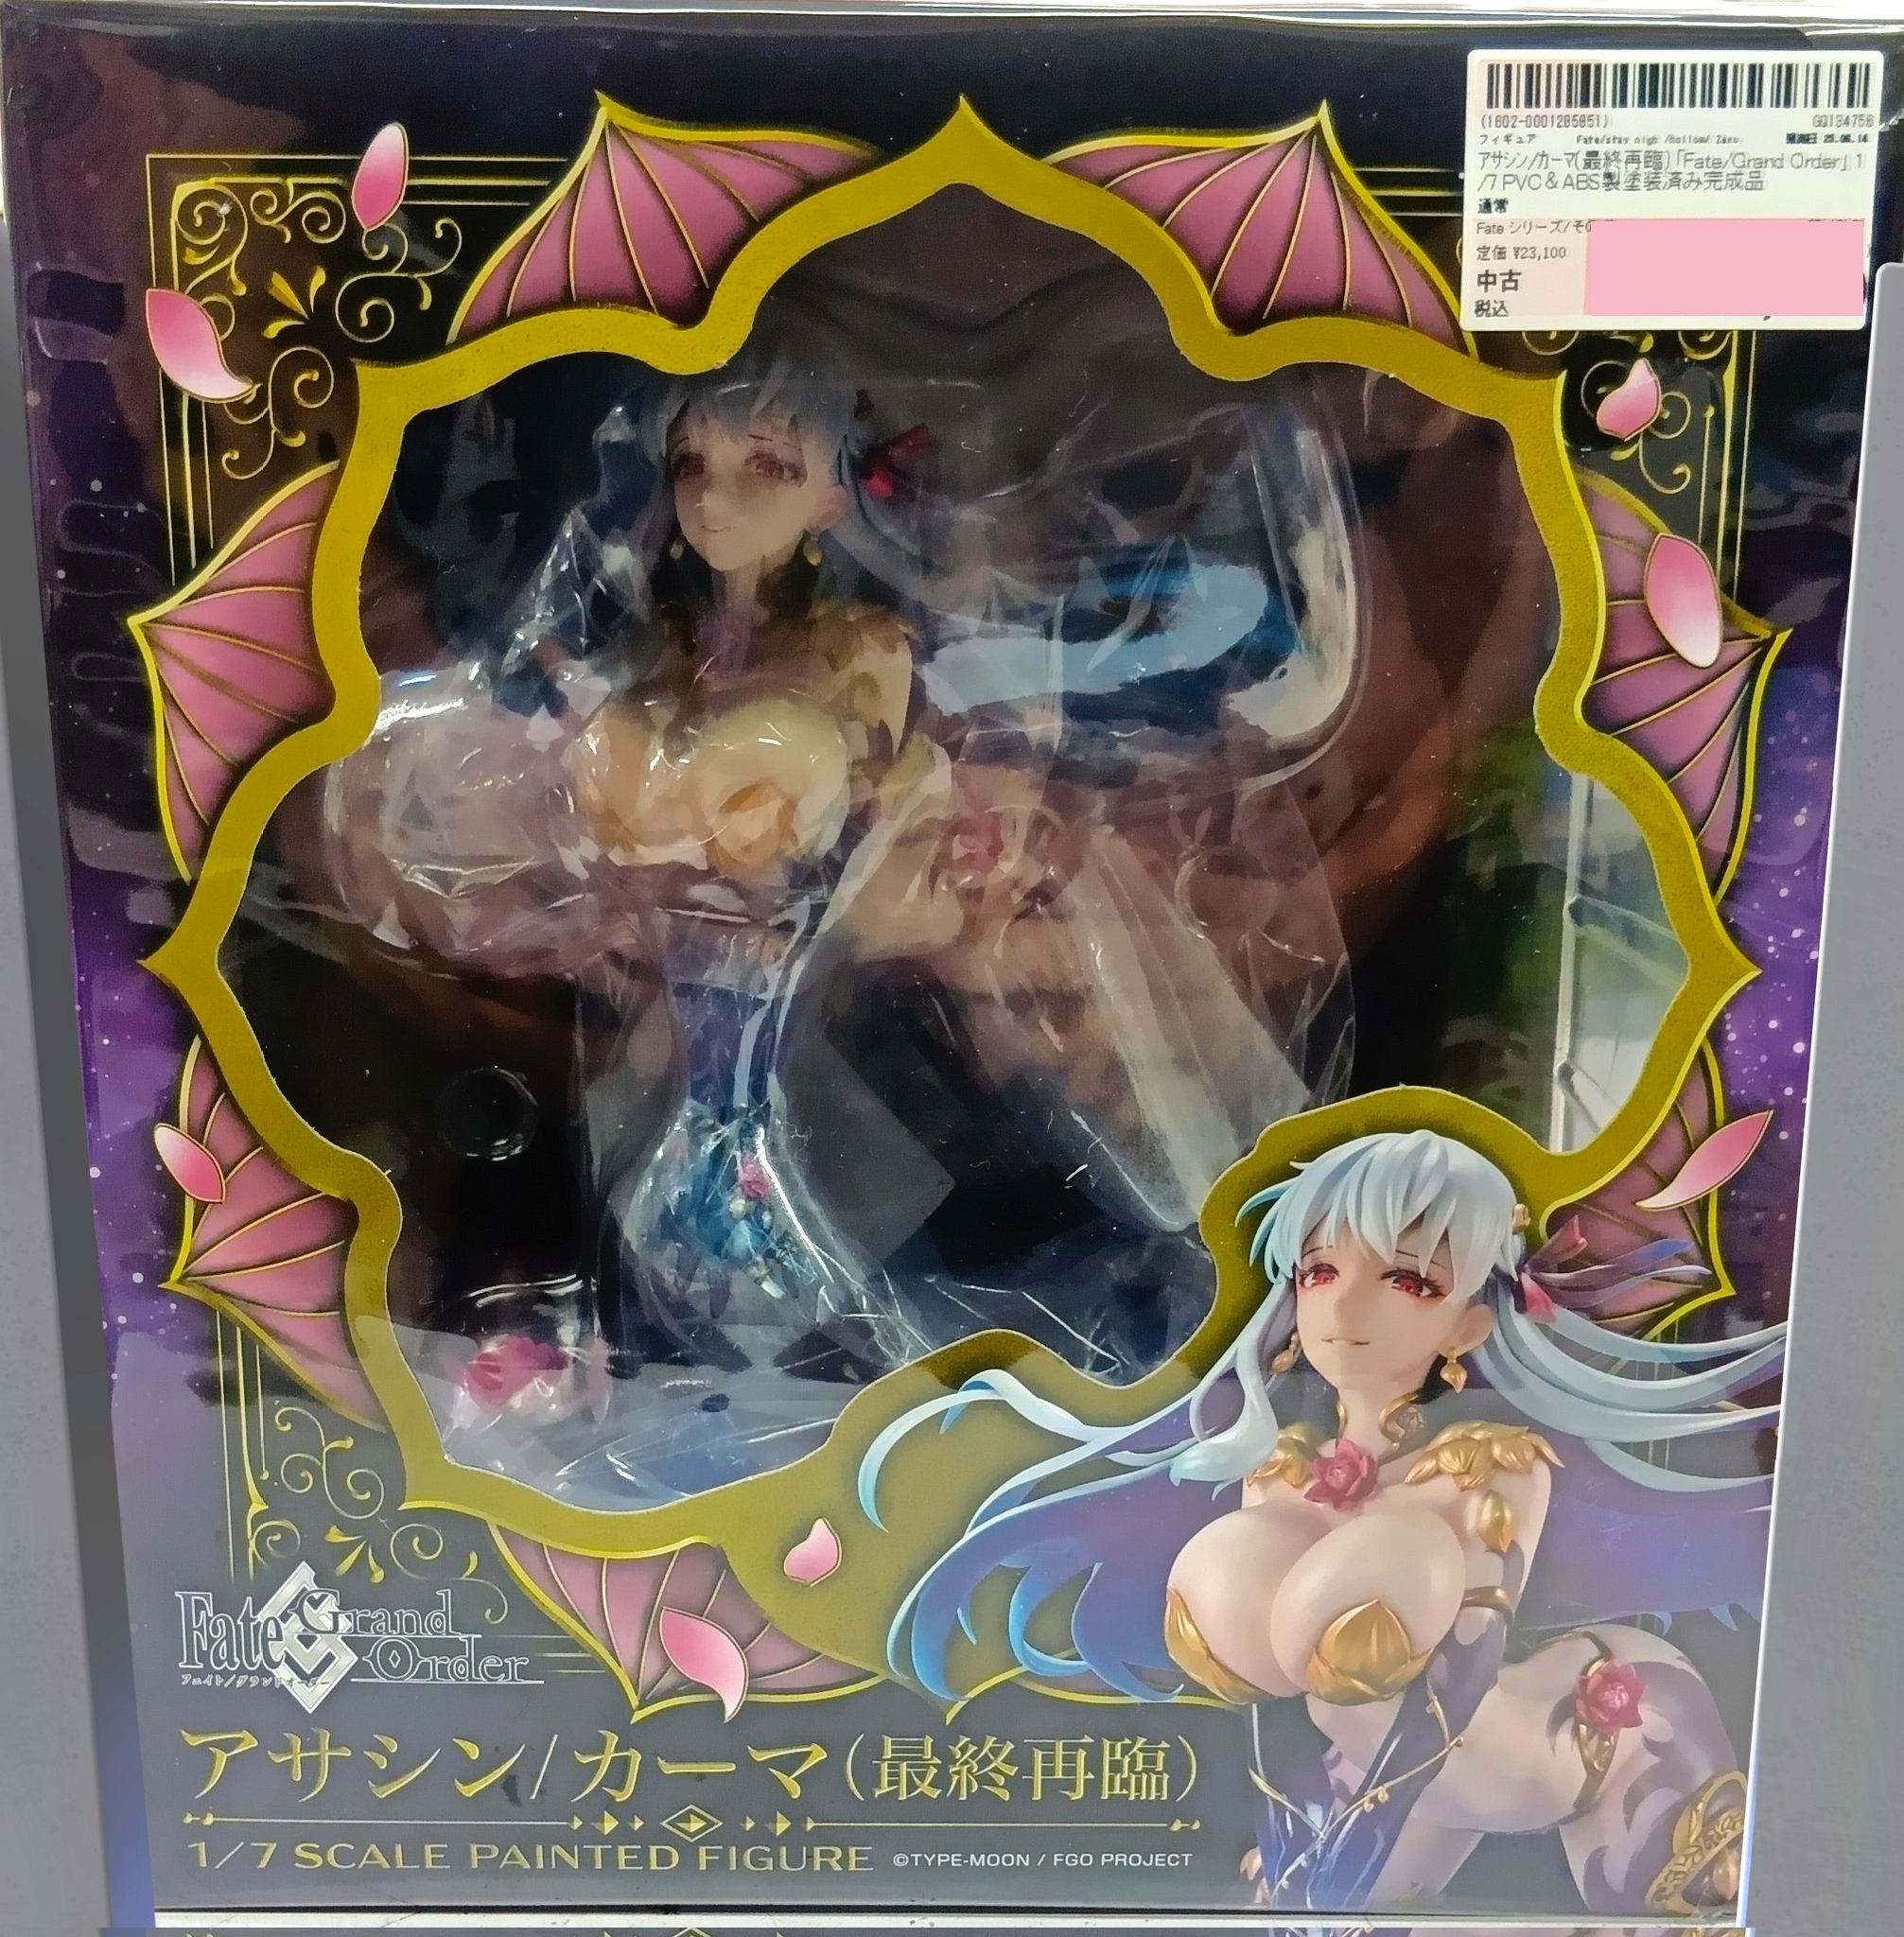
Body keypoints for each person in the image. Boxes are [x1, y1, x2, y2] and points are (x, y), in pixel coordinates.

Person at [864, 1127, 1782, 1915]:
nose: (1346, 1306)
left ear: (1466, 1326)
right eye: (1321, 1270)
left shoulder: (1489, 1465)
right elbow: (1275, 1699)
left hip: (1564, 1747)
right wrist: (1301, 1821)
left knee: (1645, 1901)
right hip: (1382, 1781)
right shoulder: (1280, 1471)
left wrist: (1351, 1837)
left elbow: (1461, 1676)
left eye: (1409, 1281)